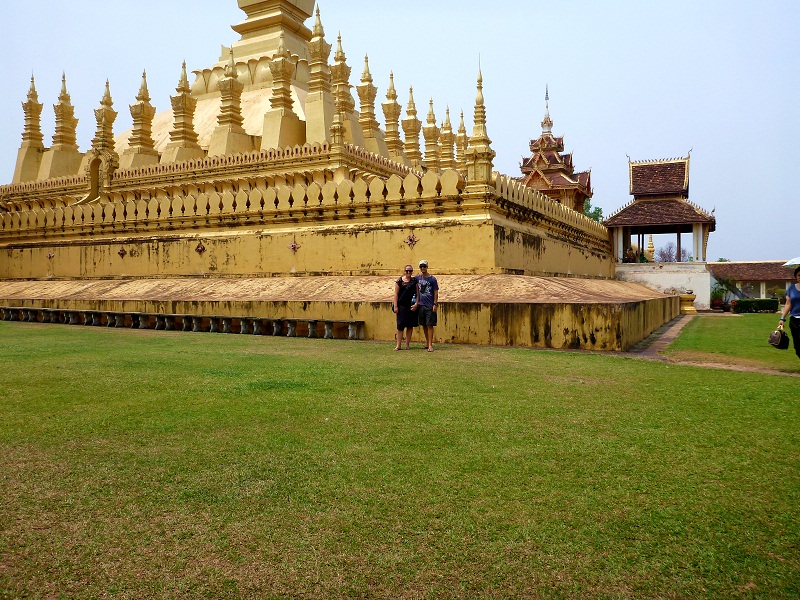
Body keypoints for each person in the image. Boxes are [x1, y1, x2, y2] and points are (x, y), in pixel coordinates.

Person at [392, 264, 419, 350]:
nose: (408, 272)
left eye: (410, 271)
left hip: (411, 306)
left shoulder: (414, 281)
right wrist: (395, 306)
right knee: (400, 326)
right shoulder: (399, 281)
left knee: (410, 326)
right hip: (402, 306)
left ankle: (407, 344)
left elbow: (418, 294)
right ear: (404, 271)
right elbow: (396, 294)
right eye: (407, 271)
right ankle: (398, 345)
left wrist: (416, 304)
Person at [415, 259, 439, 352]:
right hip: (421, 305)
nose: (422, 268)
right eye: (421, 266)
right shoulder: (418, 278)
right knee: (424, 325)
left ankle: (430, 345)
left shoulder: (432, 279)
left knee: (430, 325)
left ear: (427, 267)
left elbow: (436, 292)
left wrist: (435, 303)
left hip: (429, 305)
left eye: (424, 266)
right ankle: (427, 342)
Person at [779, 265, 800, 359]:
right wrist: (782, 318)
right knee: (797, 346)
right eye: (799, 275)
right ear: (796, 276)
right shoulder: (791, 288)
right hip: (794, 320)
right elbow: (788, 304)